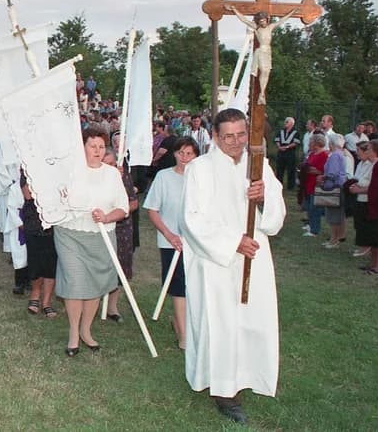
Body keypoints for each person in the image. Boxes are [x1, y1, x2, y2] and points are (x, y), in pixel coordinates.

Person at [180, 108, 286, 424]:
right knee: (222, 324)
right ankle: (225, 390)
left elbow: (276, 216)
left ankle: (249, 374)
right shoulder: (200, 169)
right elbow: (192, 219)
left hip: (254, 255)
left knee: (252, 319)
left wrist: (264, 198)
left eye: (241, 135)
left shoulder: (259, 166)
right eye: (228, 136)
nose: (235, 142)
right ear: (215, 136)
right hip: (217, 262)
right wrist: (232, 241)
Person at [54, 128, 129, 357]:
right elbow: (54, 199)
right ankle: (73, 334)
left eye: (100, 147)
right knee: (75, 282)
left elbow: (123, 207)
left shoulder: (112, 174)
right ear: (82, 147)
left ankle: (86, 330)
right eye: (92, 146)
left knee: (95, 284)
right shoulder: (68, 172)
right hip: (70, 234)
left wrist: (107, 217)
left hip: (101, 234)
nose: (97, 151)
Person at [143, 137, 199, 350]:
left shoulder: (201, 179)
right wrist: (169, 234)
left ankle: (185, 323)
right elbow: (152, 209)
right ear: (174, 154)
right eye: (180, 153)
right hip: (171, 243)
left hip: (196, 244)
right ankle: (183, 333)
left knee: (194, 286)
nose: (184, 158)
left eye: (189, 153)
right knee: (178, 287)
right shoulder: (163, 177)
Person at [227, 6, 296, 103]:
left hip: (268, 52)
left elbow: (282, 20)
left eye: (264, 20)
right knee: (263, 70)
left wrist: (292, 12)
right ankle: (261, 94)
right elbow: (243, 19)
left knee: (267, 72)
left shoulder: (270, 27)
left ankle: (262, 93)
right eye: (261, 21)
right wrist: (234, 9)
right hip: (261, 51)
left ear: (267, 20)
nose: (263, 22)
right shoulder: (256, 28)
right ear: (258, 21)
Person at [102, 148, 140, 323]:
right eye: (106, 164)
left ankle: (112, 306)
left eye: (112, 164)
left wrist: (122, 211)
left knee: (120, 267)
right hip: (100, 228)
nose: (110, 167)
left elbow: (133, 201)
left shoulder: (123, 177)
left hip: (122, 228)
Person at [349, 140, 378, 274]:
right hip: (370, 205)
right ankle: (372, 263)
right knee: (371, 235)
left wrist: (359, 190)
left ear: (376, 151)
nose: (366, 151)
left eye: (369, 149)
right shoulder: (371, 164)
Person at [22, 171, 57, 319]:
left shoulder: (59, 170)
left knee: (51, 264)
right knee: (35, 261)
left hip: (55, 222)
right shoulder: (28, 169)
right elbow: (28, 194)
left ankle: (47, 302)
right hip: (34, 222)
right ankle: (35, 295)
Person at [317, 134, 347, 248]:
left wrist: (323, 177)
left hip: (333, 187)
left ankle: (334, 240)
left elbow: (332, 173)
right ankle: (336, 238)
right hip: (339, 186)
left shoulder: (334, 155)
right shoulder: (341, 154)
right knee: (337, 215)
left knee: (333, 216)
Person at [349, 141, 373, 258]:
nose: (357, 153)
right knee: (358, 222)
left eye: (358, 151)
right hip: (357, 195)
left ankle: (366, 246)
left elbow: (367, 181)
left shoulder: (371, 164)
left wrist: (357, 184)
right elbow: (356, 176)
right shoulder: (360, 163)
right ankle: (361, 244)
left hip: (365, 197)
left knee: (364, 223)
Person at [302, 134, 329, 237]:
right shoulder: (312, 154)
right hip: (308, 182)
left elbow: (321, 170)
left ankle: (315, 229)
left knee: (315, 208)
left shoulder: (324, 155)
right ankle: (310, 224)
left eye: (311, 142)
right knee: (309, 206)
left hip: (316, 184)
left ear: (317, 144)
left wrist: (310, 169)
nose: (309, 144)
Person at [274, 117, 300, 190]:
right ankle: (278, 185)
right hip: (281, 152)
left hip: (290, 152)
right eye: (285, 121)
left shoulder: (295, 132)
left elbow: (296, 142)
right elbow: (277, 140)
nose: (285, 123)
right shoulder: (281, 131)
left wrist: (287, 147)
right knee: (279, 169)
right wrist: (279, 147)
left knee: (291, 170)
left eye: (287, 122)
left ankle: (290, 186)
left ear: (292, 123)